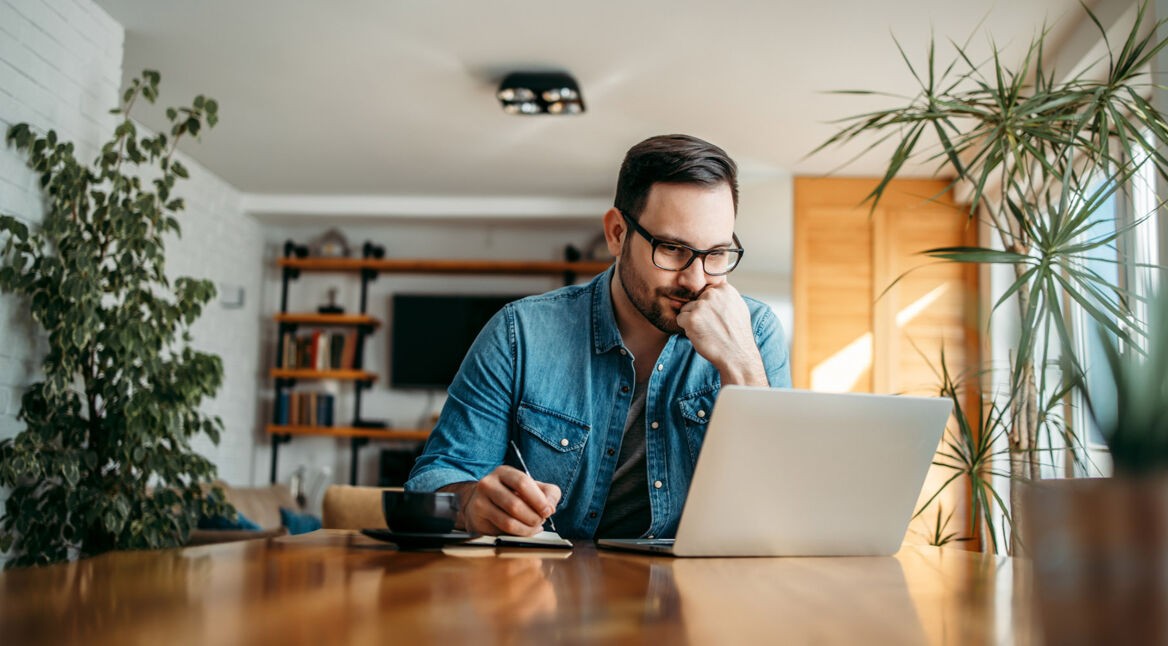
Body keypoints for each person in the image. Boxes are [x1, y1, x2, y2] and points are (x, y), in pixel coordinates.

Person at [405, 134, 791, 539]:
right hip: (546, 588)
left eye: (715, 254)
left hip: (697, 593)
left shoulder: (756, 332)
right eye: (673, 249)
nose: (696, 280)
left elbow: (781, 506)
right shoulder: (519, 333)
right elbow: (433, 480)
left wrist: (742, 366)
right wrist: (470, 504)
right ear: (617, 234)